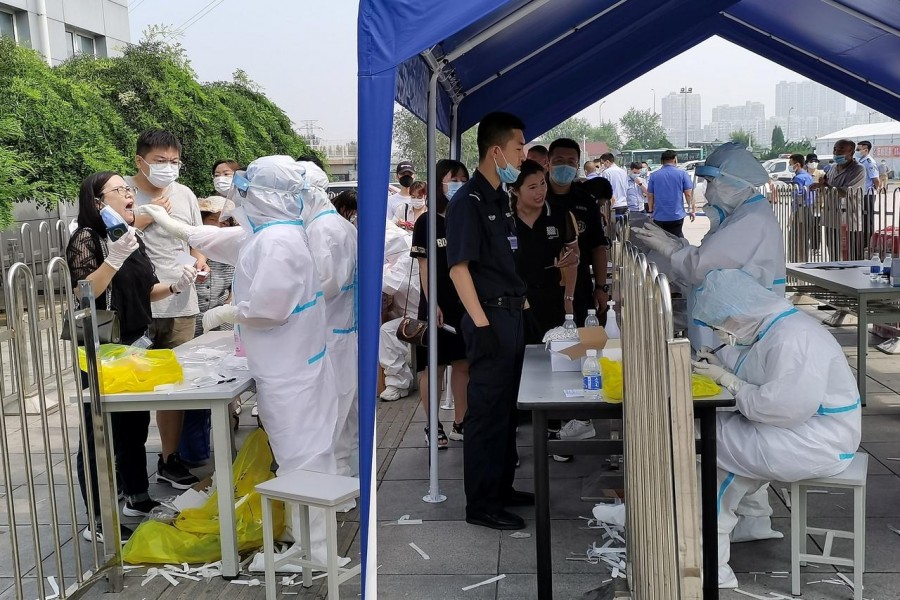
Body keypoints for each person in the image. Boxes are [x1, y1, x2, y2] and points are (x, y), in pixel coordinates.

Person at [143, 156, 343, 565]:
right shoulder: (276, 232)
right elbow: (230, 243)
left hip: (290, 372)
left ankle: (315, 553)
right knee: (304, 456)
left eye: (246, 189)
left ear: (266, 195)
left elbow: (269, 309)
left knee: (301, 458)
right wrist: (177, 227)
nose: (239, 195)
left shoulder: (276, 242)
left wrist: (226, 313)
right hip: (296, 364)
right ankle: (304, 540)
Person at [691, 269, 860, 588]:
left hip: (817, 440)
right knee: (721, 439)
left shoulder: (792, 337)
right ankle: (743, 525)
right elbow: (756, 364)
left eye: (724, 322)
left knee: (708, 439)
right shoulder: (777, 325)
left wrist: (730, 381)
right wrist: (722, 363)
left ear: (739, 311)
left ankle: (711, 564)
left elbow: (784, 406)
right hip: (809, 432)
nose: (724, 329)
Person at [67, 172, 196, 542]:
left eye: (128, 189)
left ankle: (137, 497)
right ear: (97, 201)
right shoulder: (86, 238)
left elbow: (146, 290)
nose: (129, 195)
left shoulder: (130, 236)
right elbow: (85, 293)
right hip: (103, 349)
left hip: (138, 344)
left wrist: (176, 285)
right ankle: (98, 516)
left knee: (134, 426)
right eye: (120, 190)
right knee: (99, 432)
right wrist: (114, 259)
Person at [446, 111, 532, 530]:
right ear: (496, 151)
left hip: (510, 314)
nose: (524, 155)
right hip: (489, 317)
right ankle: (481, 503)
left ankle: (502, 487)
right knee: (485, 413)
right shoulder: (469, 201)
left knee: (505, 411)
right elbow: (458, 268)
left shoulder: (501, 197)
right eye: (519, 148)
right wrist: (481, 325)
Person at [127, 129, 203, 490]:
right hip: (140, 309)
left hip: (182, 304)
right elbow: (102, 239)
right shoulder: (123, 193)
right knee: (135, 391)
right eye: (160, 162)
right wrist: (144, 218)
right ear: (140, 161)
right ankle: (128, 468)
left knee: (174, 388)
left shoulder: (185, 194)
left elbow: (197, 239)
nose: (168, 168)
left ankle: (170, 459)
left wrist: (200, 263)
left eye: (174, 162)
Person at [297, 160, 360, 478]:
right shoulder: (336, 224)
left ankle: (335, 482)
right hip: (341, 332)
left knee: (332, 415)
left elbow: (328, 284)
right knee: (342, 415)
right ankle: (341, 477)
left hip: (331, 335)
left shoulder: (323, 229)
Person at [410, 159, 471, 447]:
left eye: (463, 178)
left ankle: (461, 422)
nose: (458, 183)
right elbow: (424, 266)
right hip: (435, 302)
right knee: (433, 367)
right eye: (453, 179)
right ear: (439, 182)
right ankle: (432, 425)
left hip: (464, 301)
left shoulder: (467, 215)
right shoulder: (426, 221)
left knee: (463, 364)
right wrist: (432, 301)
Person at [509, 159, 579, 343]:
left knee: (553, 355)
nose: (540, 191)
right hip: (513, 302)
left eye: (543, 183)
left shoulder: (559, 215)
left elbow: (574, 257)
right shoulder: (504, 219)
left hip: (552, 298)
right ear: (515, 190)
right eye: (532, 187)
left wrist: (569, 298)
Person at [545, 138, 610, 328]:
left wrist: (601, 287)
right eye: (558, 161)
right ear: (548, 163)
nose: (565, 166)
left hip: (579, 287)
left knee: (580, 342)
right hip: (542, 286)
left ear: (577, 165)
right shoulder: (536, 196)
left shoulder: (586, 201)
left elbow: (598, 246)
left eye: (571, 162)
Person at [379, 219, 420, 401]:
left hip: (418, 318)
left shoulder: (405, 260)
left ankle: (398, 383)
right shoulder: (403, 255)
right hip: (408, 311)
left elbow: (388, 285)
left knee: (386, 331)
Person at [810, 139, 866, 262]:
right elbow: (827, 187)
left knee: (849, 257)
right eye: (835, 149)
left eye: (841, 149)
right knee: (834, 256)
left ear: (850, 151)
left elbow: (845, 192)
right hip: (831, 219)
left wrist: (826, 186)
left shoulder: (858, 169)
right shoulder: (833, 168)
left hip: (848, 220)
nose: (836, 152)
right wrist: (820, 186)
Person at [646, 149, 695, 238]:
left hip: (659, 216)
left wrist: (650, 211)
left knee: (662, 240)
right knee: (677, 238)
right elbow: (688, 194)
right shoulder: (683, 174)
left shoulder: (654, 175)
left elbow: (650, 195)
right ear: (675, 159)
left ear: (662, 161)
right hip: (677, 215)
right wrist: (691, 209)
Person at [856, 140, 881, 244]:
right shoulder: (861, 161)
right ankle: (863, 238)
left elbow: (875, 178)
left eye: (858, 149)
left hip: (868, 194)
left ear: (865, 150)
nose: (856, 151)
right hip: (862, 193)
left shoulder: (869, 162)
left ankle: (867, 241)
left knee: (868, 217)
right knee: (862, 216)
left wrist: (876, 189)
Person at [598, 153, 628, 218]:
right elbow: (626, 187)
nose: (602, 165)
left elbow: (605, 190)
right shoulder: (623, 171)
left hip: (613, 205)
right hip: (624, 204)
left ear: (607, 161)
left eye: (603, 163)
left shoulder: (606, 172)